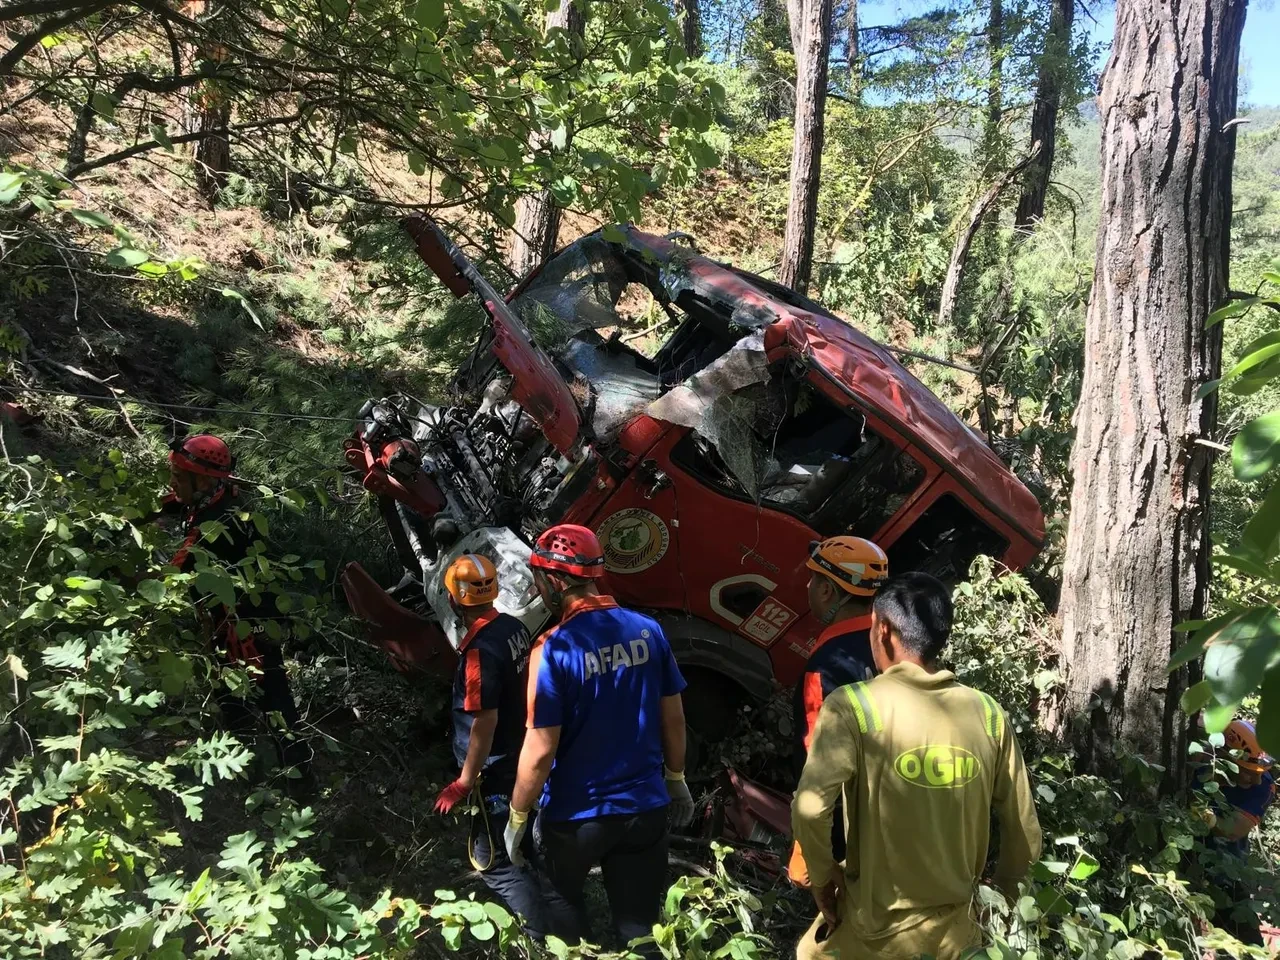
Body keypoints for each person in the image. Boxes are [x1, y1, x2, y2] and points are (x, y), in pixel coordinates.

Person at [791, 572, 1041, 960]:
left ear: (883, 630)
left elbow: (809, 809)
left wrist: (824, 880)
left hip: (872, 934)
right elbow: (1024, 834)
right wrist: (1000, 903)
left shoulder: (852, 707)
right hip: (961, 936)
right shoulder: (989, 715)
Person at [503, 524, 694, 952]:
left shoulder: (553, 649)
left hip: (575, 819)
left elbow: (540, 749)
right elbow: (674, 718)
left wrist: (517, 816)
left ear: (553, 581)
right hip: (645, 811)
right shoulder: (647, 631)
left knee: (562, 904)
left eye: (538, 580)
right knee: (640, 928)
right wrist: (676, 777)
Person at [157, 434, 311, 783]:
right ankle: (251, 771)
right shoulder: (217, 497)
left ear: (204, 480)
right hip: (232, 618)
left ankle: (296, 779)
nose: (173, 482)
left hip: (249, 623)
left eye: (180, 477)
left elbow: (173, 573)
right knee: (237, 697)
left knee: (268, 699)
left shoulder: (221, 522)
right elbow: (172, 502)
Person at [432, 553, 548, 935]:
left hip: (493, 769)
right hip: (521, 754)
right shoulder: (514, 627)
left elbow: (485, 720)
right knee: (526, 838)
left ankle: (541, 937)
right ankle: (562, 909)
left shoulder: (479, 652)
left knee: (494, 863)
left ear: (452, 599)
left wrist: (465, 781)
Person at [788, 536, 888, 887]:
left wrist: (817, 858)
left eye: (814, 578)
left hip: (850, 834)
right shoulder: (896, 643)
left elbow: (822, 765)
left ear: (829, 591)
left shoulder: (825, 666)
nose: (807, 585)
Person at [1195, 718, 1276, 945]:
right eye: (1250, 771)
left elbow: (1231, 830)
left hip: (1225, 869)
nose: (1257, 778)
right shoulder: (1199, 762)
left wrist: (1204, 815)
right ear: (1228, 756)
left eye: (1260, 771)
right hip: (1183, 859)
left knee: (1242, 943)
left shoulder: (1262, 787)